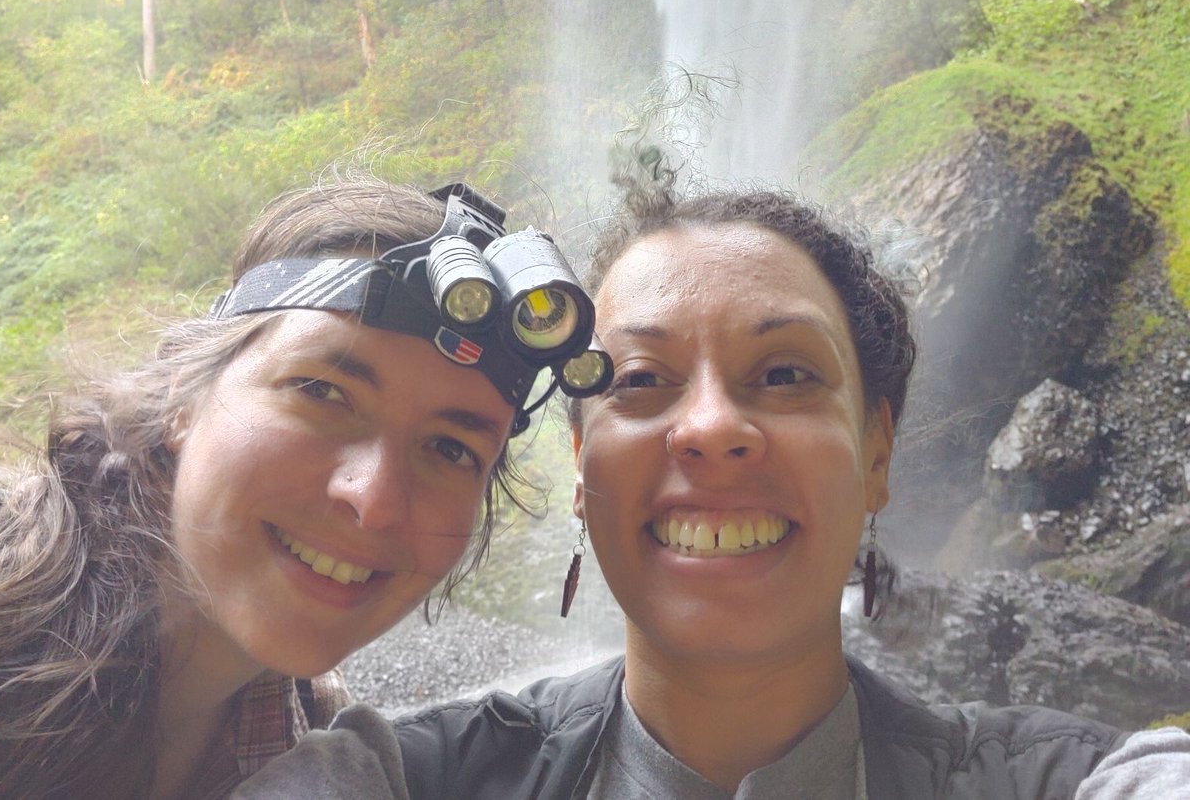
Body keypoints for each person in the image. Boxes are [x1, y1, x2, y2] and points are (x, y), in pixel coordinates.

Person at [230, 181, 1190, 799]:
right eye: (639, 381)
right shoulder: (404, 780)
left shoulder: (1075, 783)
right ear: (579, 465)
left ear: (877, 456)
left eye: (785, 375)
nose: (712, 427)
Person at [0, 169, 608, 800]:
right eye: (322, 391)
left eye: (451, 449)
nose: (374, 500)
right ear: (183, 392)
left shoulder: (313, 738)